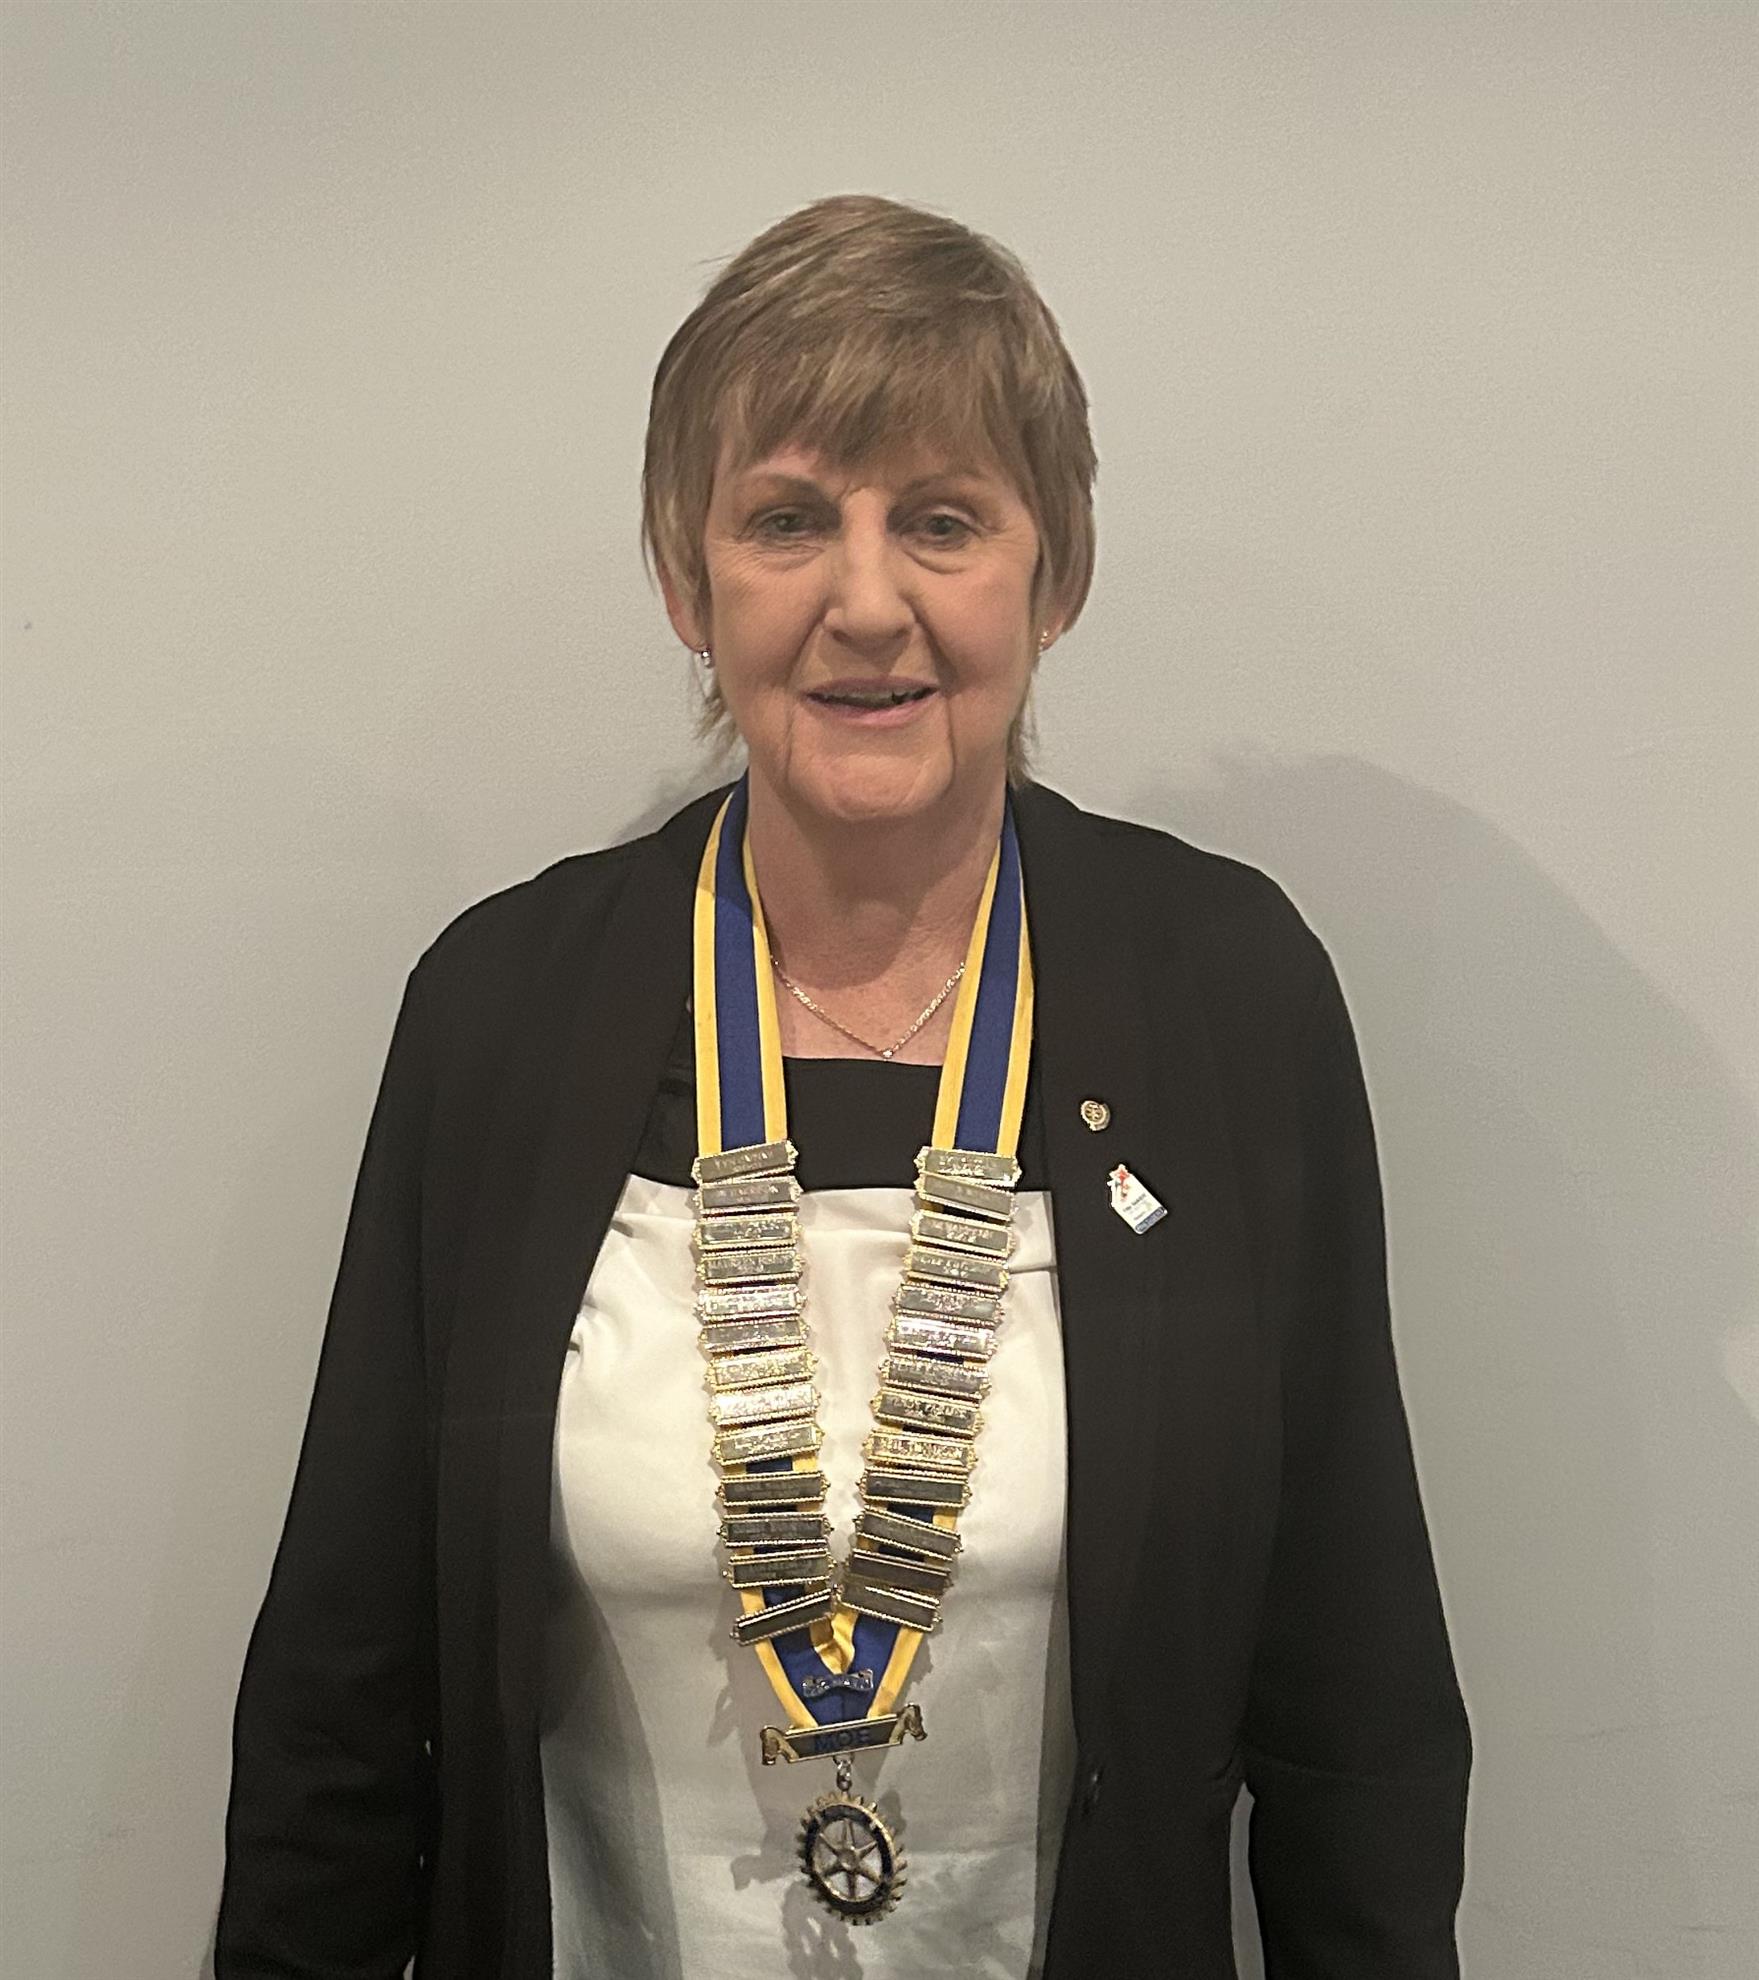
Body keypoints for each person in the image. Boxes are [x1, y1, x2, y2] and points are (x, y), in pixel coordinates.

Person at [215, 193, 1471, 1979]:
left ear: (1054, 576)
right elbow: (344, 1693)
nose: (866, 604)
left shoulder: (1225, 997)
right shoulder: (501, 1011)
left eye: (942, 521)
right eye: (789, 520)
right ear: (689, 579)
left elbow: (1356, 1693)